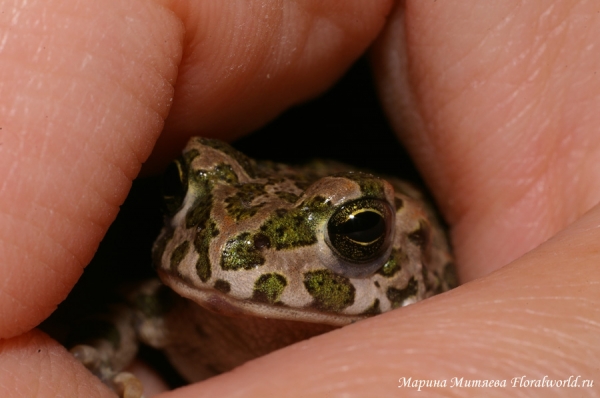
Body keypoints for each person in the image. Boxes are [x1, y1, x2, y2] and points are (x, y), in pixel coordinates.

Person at [1, 1, 598, 396]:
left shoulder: (446, 302)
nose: (229, 249)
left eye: (356, 232)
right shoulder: (167, 306)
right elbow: (127, 310)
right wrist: (99, 357)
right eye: (188, 196)